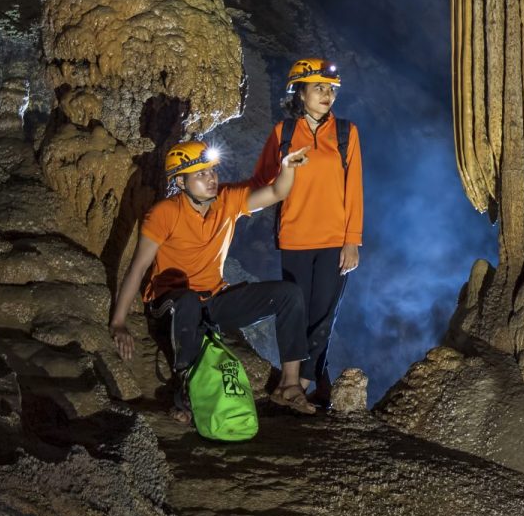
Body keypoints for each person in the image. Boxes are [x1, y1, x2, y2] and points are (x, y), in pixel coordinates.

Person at [109, 139, 319, 418]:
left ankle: (289, 386)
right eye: (200, 174)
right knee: (187, 301)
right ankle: (186, 396)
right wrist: (119, 322)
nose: (211, 179)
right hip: (170, 304)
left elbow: (277, 192)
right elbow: (137, 268)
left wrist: (286, 167)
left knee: (288, 294)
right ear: (181, 183)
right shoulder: (164, 214)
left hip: (213, 300)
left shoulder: (227, 200)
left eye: (211, 172)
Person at [249, 56, 363, 410]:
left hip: (333, 241)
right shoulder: (282, 134)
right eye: (318, 88)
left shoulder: (346, 133)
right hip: (296, 237)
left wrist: (352, 240)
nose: (327, 94)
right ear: (299, 93)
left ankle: (300, 383)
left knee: (322, 316)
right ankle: (298, 383)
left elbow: (355, 189)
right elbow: (263, 181)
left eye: (331, 89)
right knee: (295, 314)